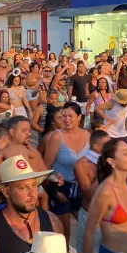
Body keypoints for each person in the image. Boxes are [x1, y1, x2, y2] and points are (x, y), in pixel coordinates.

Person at [43, 102, 89, 242]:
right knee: (64, 234)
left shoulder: (87, 135)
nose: (67, 120)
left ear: (79, 117)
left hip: (81, 187)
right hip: (61, 187)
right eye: (64, 116)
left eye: (71, 116)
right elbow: (45, 168)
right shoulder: (57, 137)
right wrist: (53, 191)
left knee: (87, 229)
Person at [73, 129, 110, 253]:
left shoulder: (109, 161)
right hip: (90, 214)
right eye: (107, 144)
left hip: (109, 215)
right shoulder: (81, 165)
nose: (110, 148)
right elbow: (89, 193)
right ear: (96, 146)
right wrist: (103, 169)